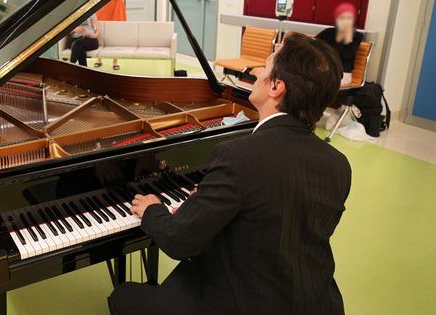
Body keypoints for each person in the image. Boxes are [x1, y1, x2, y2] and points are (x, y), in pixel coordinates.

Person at [109, 33, 351, 315]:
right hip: (315, 304)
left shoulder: (238, 156)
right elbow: (279, 219)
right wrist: (212, 201)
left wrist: (153, 210)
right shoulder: (339, 164)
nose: (257, 72)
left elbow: (178, 241)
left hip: (241, 303)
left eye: (265, 66)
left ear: (276, 87)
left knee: (122, 296)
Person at [317, 3, 363, 88]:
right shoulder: (328, 32)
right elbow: (313, 46)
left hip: (343, 72)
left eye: (348, 18)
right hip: (323, 70)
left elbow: (348, 55)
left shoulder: (356, 36)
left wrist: (345, 37)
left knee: (323, 85)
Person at [94, 0, 127, 70]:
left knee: (116, 35)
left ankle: (115, 62)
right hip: (104, 7)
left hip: (116, 9)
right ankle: (99, 59)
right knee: (100, 33)